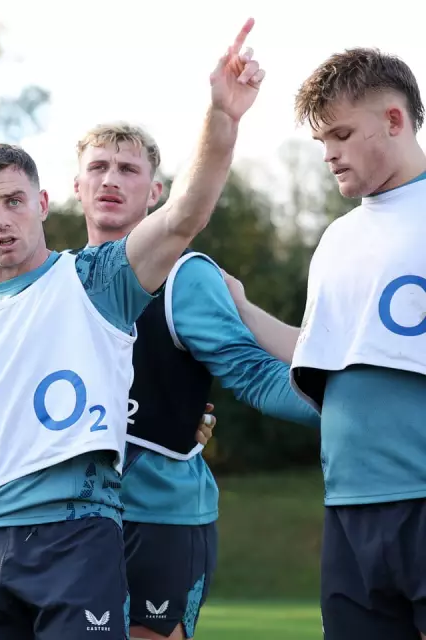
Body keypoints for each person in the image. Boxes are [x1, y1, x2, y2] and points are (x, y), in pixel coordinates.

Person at [0, 18, 265, 640]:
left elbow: (184, 216)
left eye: (14, 201)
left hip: (76, 534)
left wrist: (221, 116)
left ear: (41, 204)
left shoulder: (94, 279)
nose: (0, 219)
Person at [71, 120, 321, 639]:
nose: (110, 179)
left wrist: (355, 405)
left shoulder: (187, 276)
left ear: (156, 192)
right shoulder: (56, 281)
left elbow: (254, 375)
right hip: (73, 517)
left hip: (161, 517)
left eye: (128, 169)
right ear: (77, 186)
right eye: (98, 167)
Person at [222, 48, 426, 640]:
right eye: (320, 141)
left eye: (341, 134)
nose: (329, 153)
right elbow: (319, 352)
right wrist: (241, 308)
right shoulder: (337, 239)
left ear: (394, 119)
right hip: (348, 513)